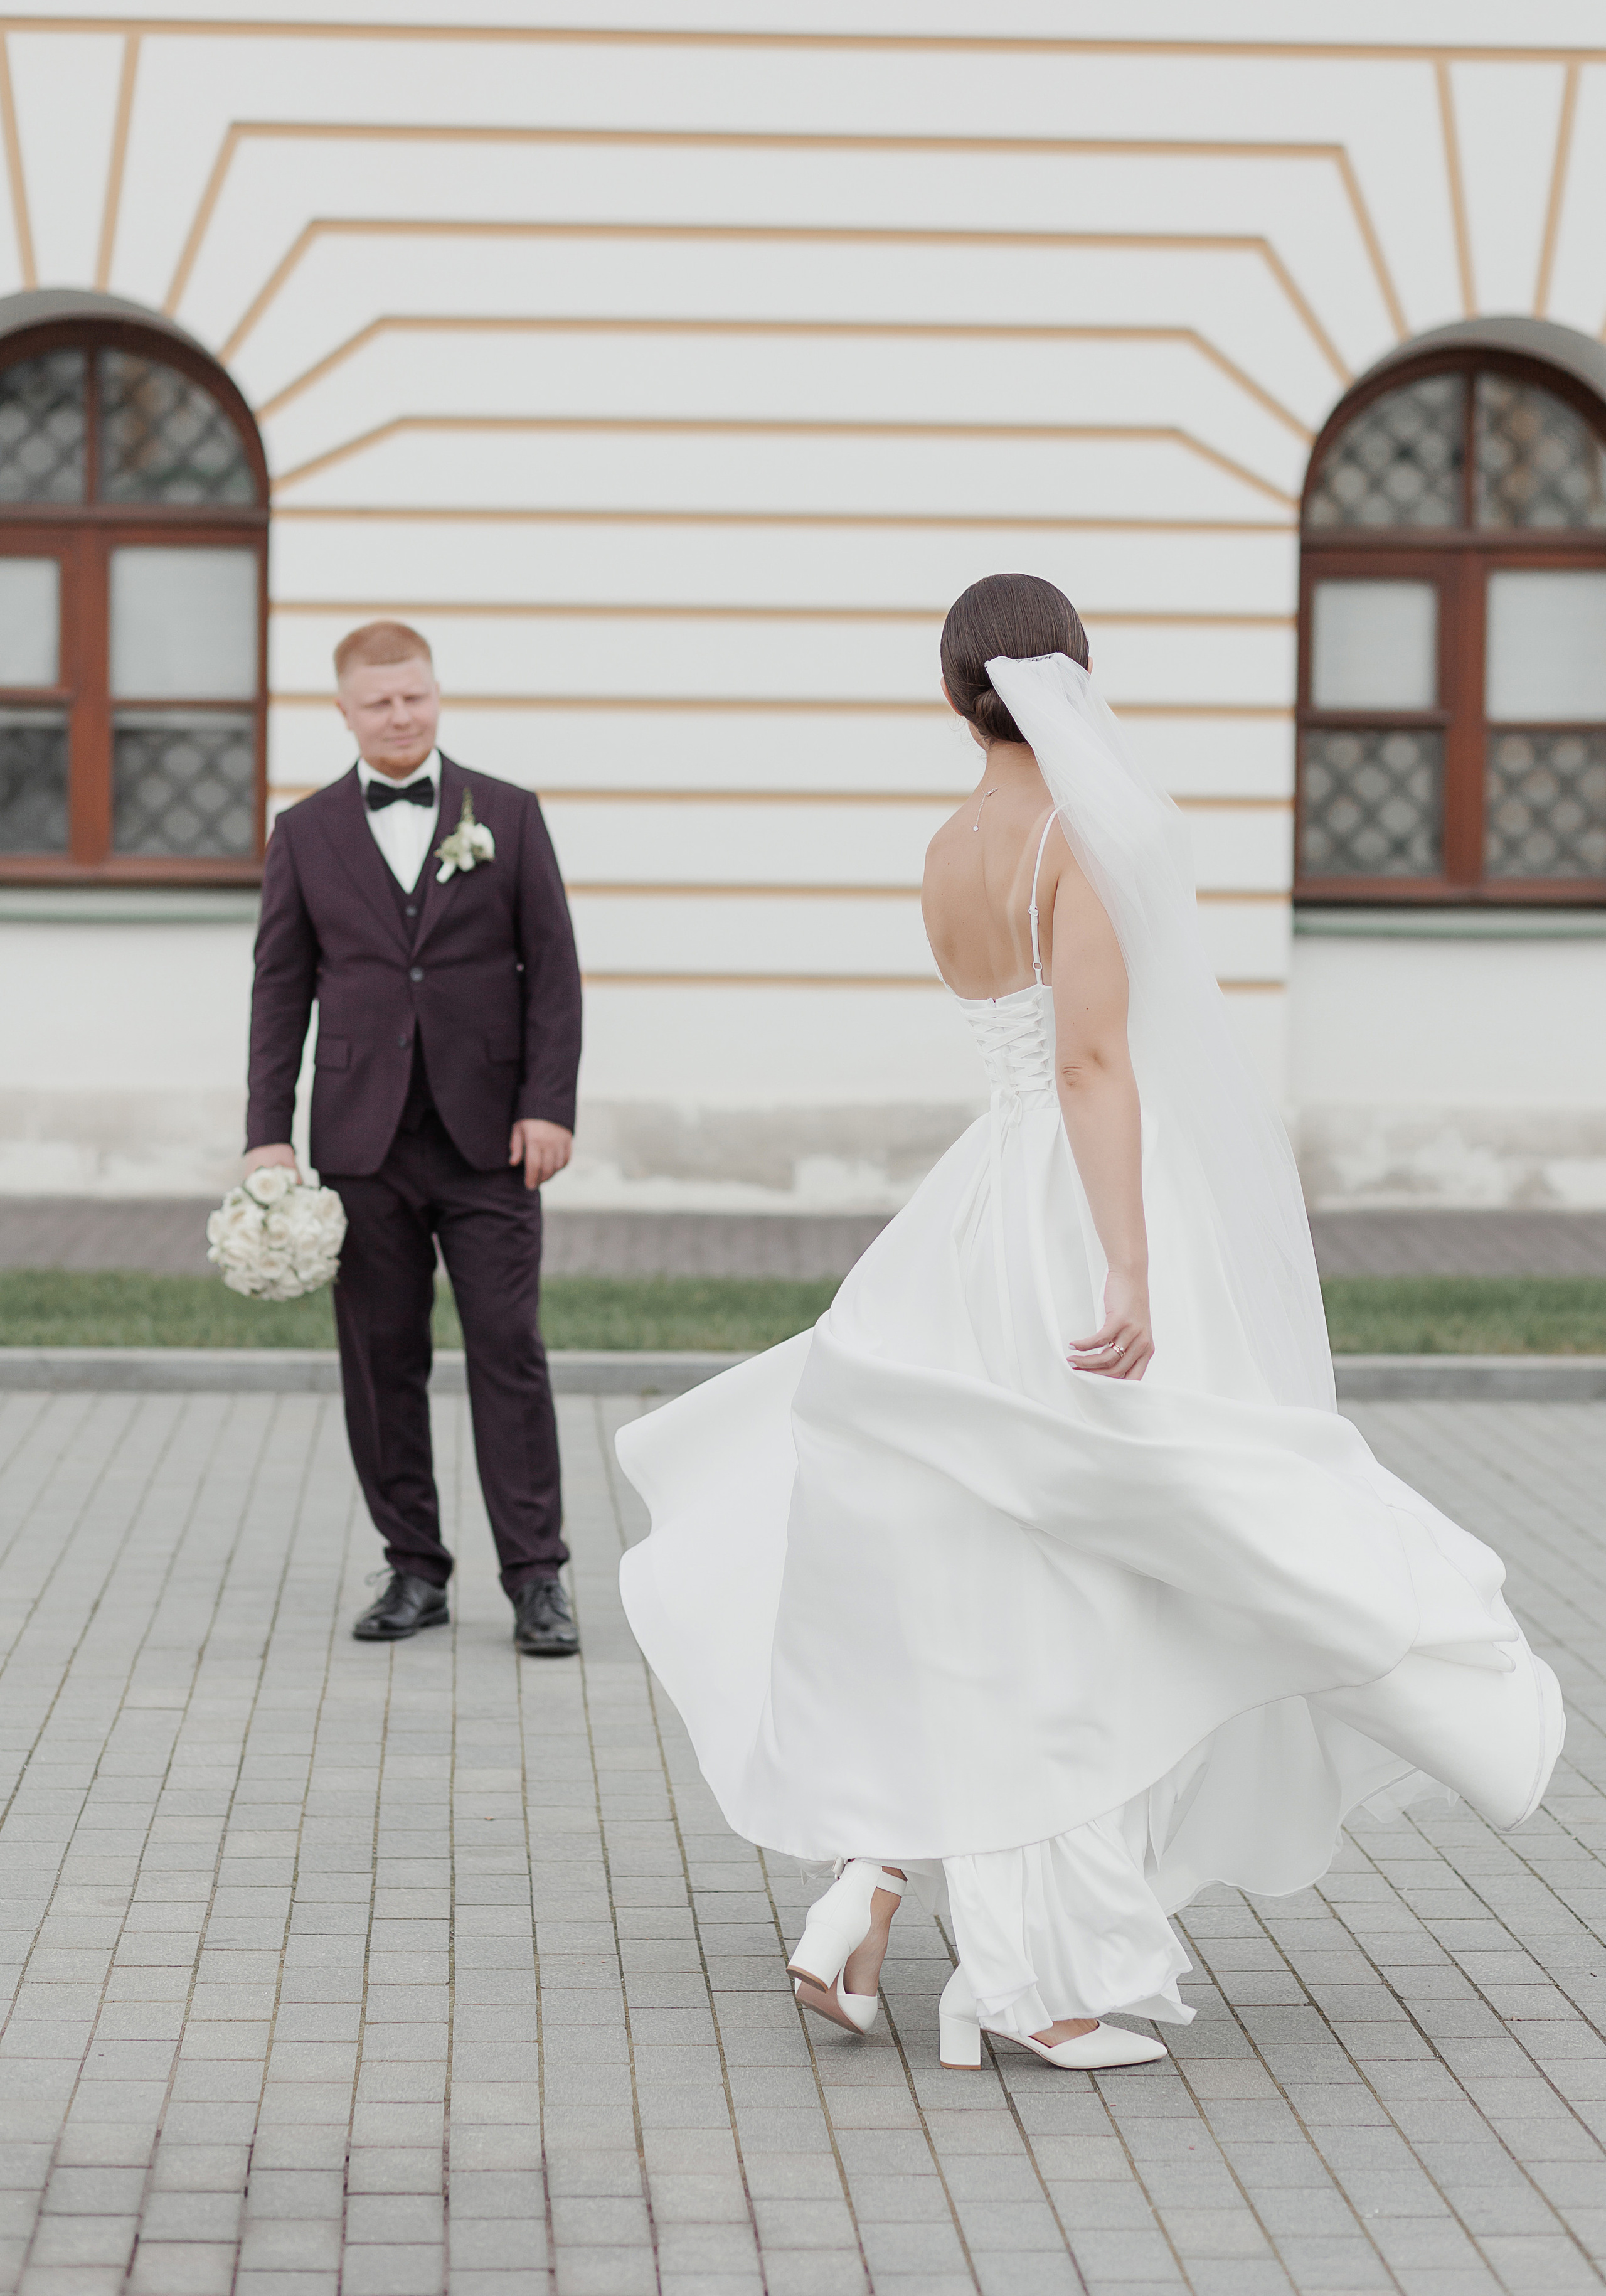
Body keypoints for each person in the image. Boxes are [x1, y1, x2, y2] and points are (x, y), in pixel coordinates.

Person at [614, 574, 1563, 2074]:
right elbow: (1093, 1068)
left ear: (951, 697)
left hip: (969, 1213)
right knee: (1097, 1570)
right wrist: (1127, 1266)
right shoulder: (1081, 837)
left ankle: (875, 1878)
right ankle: (1029, 1973)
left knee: (988, 1553)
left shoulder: (944, 849)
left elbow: (1024, 1053)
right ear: (1074, 674)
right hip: (1069, 1205)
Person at [243, 619, 583, 1657]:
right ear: (344, 712)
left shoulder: (510, 817)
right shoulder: (303, 835)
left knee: (507, 1352)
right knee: (381, 1360)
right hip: (361, 1142)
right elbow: (280, 989)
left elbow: (554, 973)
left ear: (436, 696)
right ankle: (414, 1570)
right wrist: (268, 1135)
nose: (403, 716)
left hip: (491, 1140)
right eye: (381, 703)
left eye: (417, 697)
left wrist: (549, 1105)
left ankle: (536, 1579)